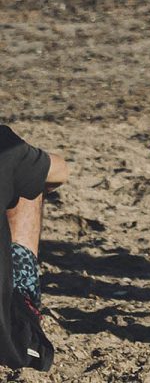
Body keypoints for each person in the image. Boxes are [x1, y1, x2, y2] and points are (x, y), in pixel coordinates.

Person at [1, 125, 69, 371]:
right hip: (8, 343)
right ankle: (23, 301)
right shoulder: (4, 145)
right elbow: (60, 172)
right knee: (30, 182)